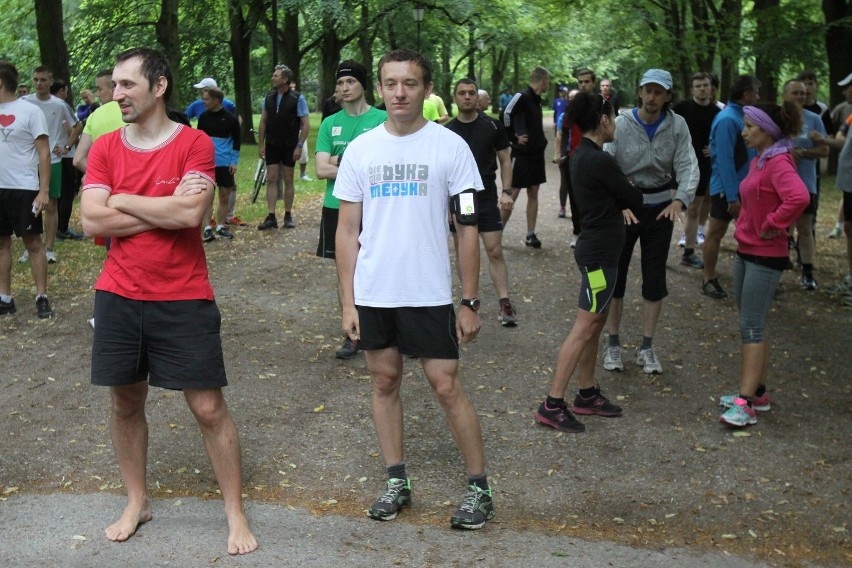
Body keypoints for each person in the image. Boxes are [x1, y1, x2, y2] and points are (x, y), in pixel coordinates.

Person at [79, 47, 257, 555]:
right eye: (114, 85)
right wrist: (166, 208)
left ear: (158, 87)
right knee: (125, 400)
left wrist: (123, 200)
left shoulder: (195, 143)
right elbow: (92, 221)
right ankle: (137, 501)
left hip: (183, 295)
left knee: (207, 407)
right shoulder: (107, 146)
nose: (117, 95)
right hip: (117, 293)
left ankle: (234, 513)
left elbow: (189, 217)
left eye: (127, 85)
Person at [334, 49, 494, 530]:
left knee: (445, 385)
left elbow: (467, 227)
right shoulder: (362, 149)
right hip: (375, 292)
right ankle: (397, 481)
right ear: (379, 88)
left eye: (410, 83)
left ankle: (479, 488)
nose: (399, 92)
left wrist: (468, 300)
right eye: (391, 83)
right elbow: (346, 232)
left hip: (427, 292)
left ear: (427, 90)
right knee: (384, 381)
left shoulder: (450, 148)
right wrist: (347, 301)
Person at [534, 91, 642, 433]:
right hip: (598, 257)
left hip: (599, 251)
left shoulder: (581, 155)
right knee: (584, 326)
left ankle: (587, 392)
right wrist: (626, 192)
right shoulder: (598, 159)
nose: (616, 125)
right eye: (614, 117)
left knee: (596, 322)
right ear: (605, 119)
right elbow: (633, 197)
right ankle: (552, 403)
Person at [718, 102, 809, 427]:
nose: (744, 132)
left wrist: (773, 223)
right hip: (747, 251)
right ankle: (757, 394)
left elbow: (799, 198)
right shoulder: (761, 160)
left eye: (750, 127)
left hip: (765, 256)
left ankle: (745, 404)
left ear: (767, 130)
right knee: (751, 322)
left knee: (751, 327)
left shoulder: (779, 162)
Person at [602, 69, 698, 375]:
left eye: (660, 92)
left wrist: (680, 199)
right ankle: (613, 342)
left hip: (660, 207)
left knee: (654, 278)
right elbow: (606, 162)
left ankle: (646, 345)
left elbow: (688, 163)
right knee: (615, 275)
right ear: (640, 92)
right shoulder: (622, 122)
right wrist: (617, 203)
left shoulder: (677, 125)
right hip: (627, 206)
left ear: (668, 96)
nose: (653, 97)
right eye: (648, 91)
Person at [314, 60, 387, 359]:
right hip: (337, 205)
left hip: (376, 206)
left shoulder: (383, 119)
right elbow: (320, 169)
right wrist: (358, 167)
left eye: (350, 83)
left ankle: (388, 329)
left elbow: (385, 164)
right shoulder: (331, 123)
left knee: (382, 266)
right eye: (340, 84)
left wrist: (338, 163)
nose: (345, 88)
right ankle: (352, 333)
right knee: (345, 270)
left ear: (363, 85)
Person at [446, 78, 519, 327]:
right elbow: (441, 171)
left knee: (494, 249)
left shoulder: (492, 126)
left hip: (486, 195)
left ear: (478, 98)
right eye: (462, 93)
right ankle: (469, 300)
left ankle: (505, 302)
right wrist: (446, 206)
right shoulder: (446, 131)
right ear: (454, 97)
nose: (467, 97)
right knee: (463, 250)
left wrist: (507, 191)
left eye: (471, 93)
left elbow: (506, 161)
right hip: (460, 198)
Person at [0, 60, 54, 319]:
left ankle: (41, 296)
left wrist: (43, 191)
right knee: (1, 245)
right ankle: (5, 298)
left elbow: (44, 153)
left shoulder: (30, 111)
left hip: (23, 188)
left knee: (33, 243)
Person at [702, 75, 760, 299]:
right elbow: (724, 159)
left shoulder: (743, 116)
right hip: (727, 189)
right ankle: (708, 279)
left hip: (746, 186)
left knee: (751, 232)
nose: (758, 96)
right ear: (746, 94)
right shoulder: (727, 119)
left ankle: (755, 279)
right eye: (755, 91)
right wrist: (732, 196)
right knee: (716, 232)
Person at [22, 66, 83, 263]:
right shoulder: (24, 102)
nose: (39, 83)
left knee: (50, 204)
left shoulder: (59, 105)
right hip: (28, 160)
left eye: (42, 80)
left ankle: (49, 248)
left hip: (53, 159)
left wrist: (66, 146)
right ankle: (30, 246)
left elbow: (78, 125)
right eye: (35, 80)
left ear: (50, 81)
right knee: (29, 203)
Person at [782, 79, 828, 289]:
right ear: (785, 95)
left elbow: (825, 150)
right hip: (780, 184)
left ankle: (808, 272)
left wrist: (804, 152)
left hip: (806, 182)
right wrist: (785, 153)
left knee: (805, 227)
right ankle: (778, 266)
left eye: (803, 93)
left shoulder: (814, 119)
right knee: (780, 226)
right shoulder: (777, 118)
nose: (801, 96)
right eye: (796, 93)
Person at [673, 72, 721, 269]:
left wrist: (714, 148)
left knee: (693, 210)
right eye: (698, 85)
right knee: (668, 209)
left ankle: (689, 252)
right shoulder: (680, 109)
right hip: (676, 165)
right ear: (692, 89)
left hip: (702, 166)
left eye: (705, 85)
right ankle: (657, 252)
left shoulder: (718, 113)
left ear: (711, 88)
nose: (702, 88)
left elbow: (723, 139)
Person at [501, 66, 550, 248]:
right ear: (543, 80)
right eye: (548, 81)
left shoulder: (536, 100)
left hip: (536, 154)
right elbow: (505, 114)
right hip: (522, 155)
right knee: (511, 193)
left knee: (534, 193)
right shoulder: (522, 96)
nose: (548, 85)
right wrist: (513, 137)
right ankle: (497, 233)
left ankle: (530, 234)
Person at [257, 64, 309, 230]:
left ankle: (288, 214)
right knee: (271, 178)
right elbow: (263, 121)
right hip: (272, 144)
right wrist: (261, 144)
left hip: (289, 145)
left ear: (285, 79)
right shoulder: (269, 97)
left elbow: (306, 124)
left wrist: (299, 146)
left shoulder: (297, 98)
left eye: (276, 76)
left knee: (288, 178)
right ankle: (271, 216)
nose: (273, 78)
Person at [197, 86, 240, 242]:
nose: (204, 102)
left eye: (206, 99)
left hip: (225, 163)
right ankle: (207, 228)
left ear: (216, 100)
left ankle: (221, 226)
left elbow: (236, 142)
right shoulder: (203, 118)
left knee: (223, 196)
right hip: (207, 163)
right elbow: (199, 141)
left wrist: (234, 161)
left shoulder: (231, 119)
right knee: (207, 197)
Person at [48, 78, 85, 242]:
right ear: (61, 91)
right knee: (66, 194)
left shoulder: (47, 106)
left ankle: (57, 228)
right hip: (64, 156)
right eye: (66, 91)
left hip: (53, 155)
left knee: (58, 195)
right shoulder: (60, 106)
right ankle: (61, 229)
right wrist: (71, 146)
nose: (67, 94)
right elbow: (72, 128)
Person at [827, 72, 852, 239]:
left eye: (847, 88)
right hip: (849, 183)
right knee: (849, 228)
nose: (844, 92)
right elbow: (840, 137)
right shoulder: (849, 115)